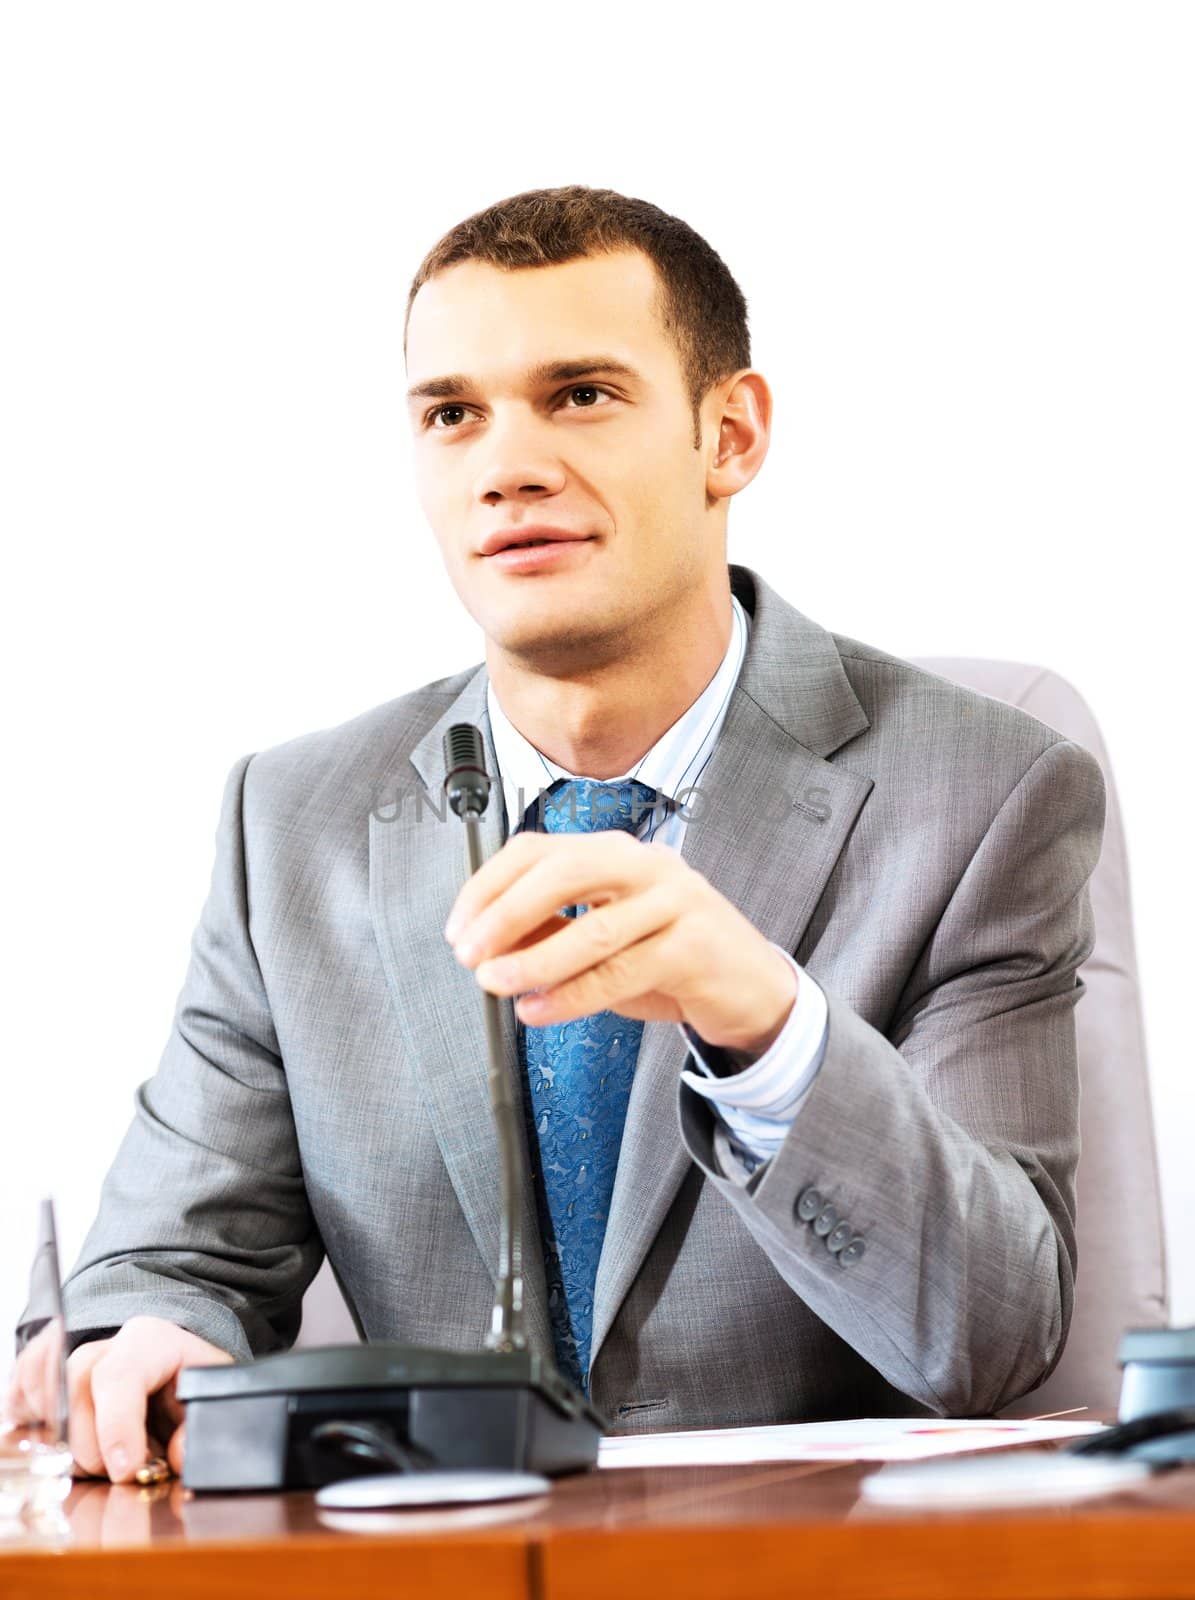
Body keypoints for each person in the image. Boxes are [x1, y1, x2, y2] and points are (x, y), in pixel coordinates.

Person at [8, 184, 1106, 1485]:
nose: (506, 463)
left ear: (730, 434)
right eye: (452, 413)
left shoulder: (985, 795)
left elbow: (992, 1333)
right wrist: (159, 1338)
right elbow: (175, 1254)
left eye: (579, 393)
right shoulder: (290, 822)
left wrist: (763, 1020)